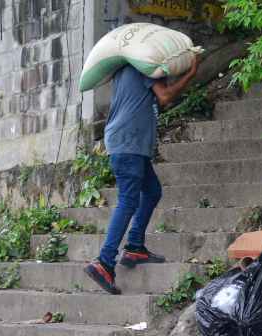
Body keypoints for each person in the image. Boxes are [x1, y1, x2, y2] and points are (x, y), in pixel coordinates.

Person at [85, 55, 199, 294]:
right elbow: (165, 96)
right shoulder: (144, 67)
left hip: (126, 142)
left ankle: (135, 246)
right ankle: (104, 262)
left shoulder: (124, 69)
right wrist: (189, 74)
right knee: (128, 199)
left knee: (152, 191)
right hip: (129, 143)